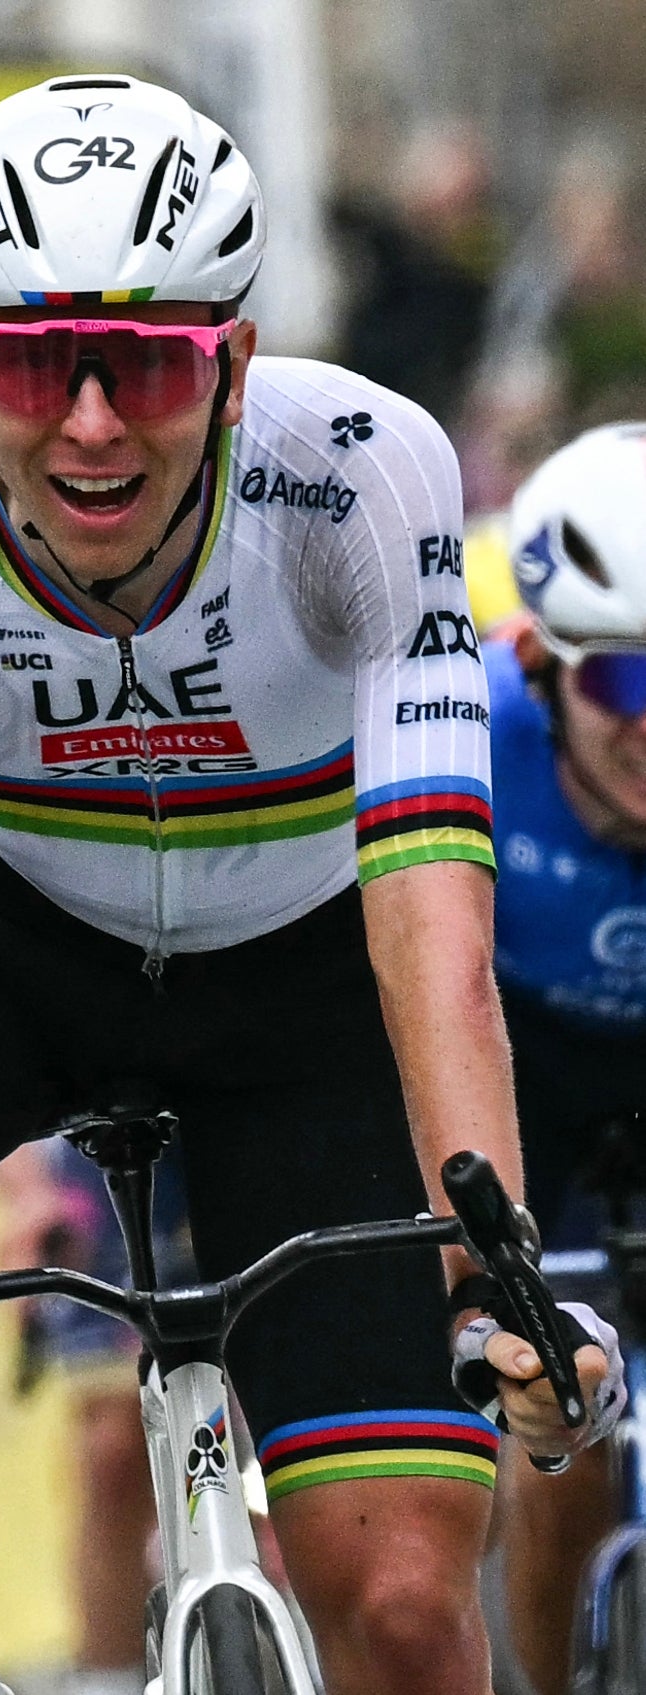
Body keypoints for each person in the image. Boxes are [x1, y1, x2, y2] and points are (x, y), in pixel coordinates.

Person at [0, 73, 620, 1695]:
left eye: (149, 363)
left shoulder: (364, 471)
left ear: (233, 360)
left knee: (394, 1613)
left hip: (310, 976)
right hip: (4, 938)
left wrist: (490, 1244)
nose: (88, 425)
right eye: (32, 361)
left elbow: (433, 908)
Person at [476, 426, 646, 1695]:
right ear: (539, 667)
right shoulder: (464, 743)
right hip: (522, 1092)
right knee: (564, 1419)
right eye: (623, 689)